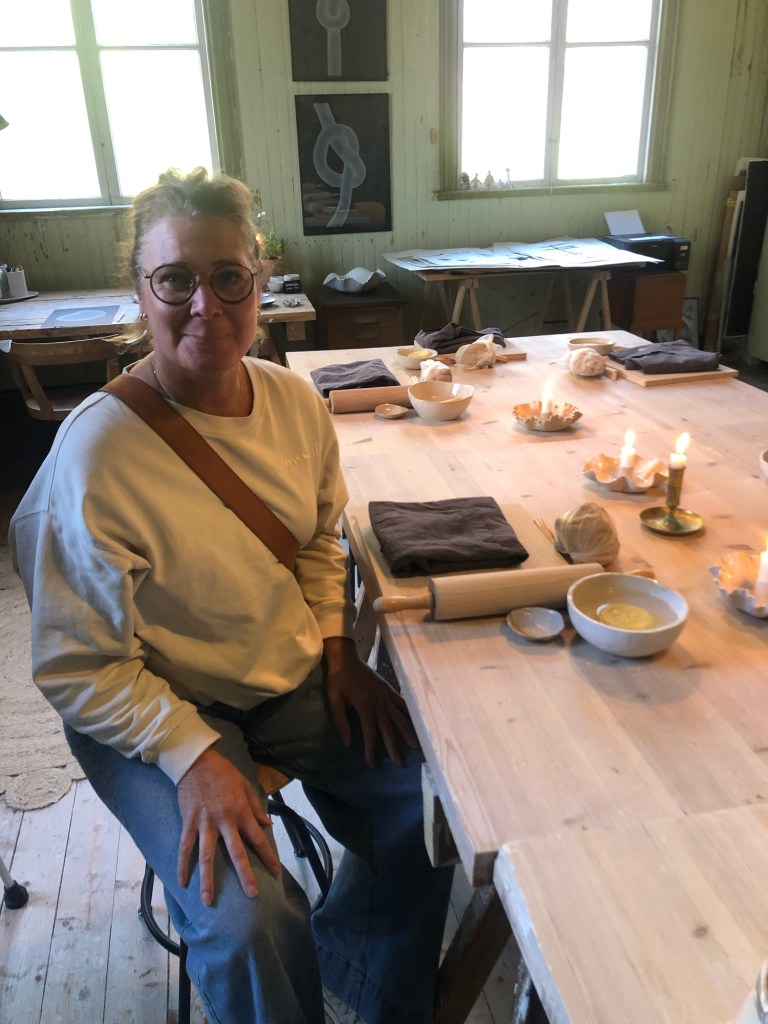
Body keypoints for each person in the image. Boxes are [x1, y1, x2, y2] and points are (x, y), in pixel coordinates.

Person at [10, 167, 453, 1024]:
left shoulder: (294, 403)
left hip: (282, 672)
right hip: (145, 708)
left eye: (227, 277)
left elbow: (318, 540)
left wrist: (340, 653)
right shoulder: (98, 452)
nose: (204, 306)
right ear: (140, 289)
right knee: (247, 922)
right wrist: (193, 754)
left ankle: (359, 972)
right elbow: (76, 665)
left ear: (260, 279)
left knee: (432, 812)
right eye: (176, 279)